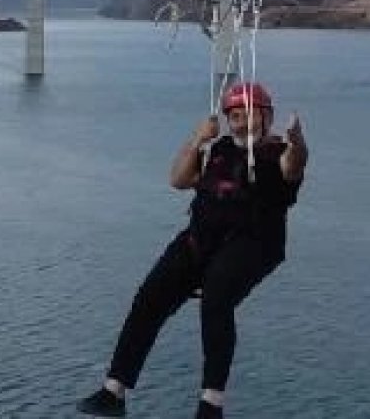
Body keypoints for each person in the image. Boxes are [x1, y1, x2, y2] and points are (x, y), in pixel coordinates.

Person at [78, 81, 308, 419]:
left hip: (254, 243)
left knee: (217, 297)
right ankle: (114, 391)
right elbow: (178, 180)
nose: (242, 122)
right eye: (235, 116)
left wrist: (298, 140)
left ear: (266, 116)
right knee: (149, 299)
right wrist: (199, 140)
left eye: (249, 115)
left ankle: (211, 404)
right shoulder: (219, 149)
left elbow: (294, 165)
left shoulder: (277, 152)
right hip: (200, 240)